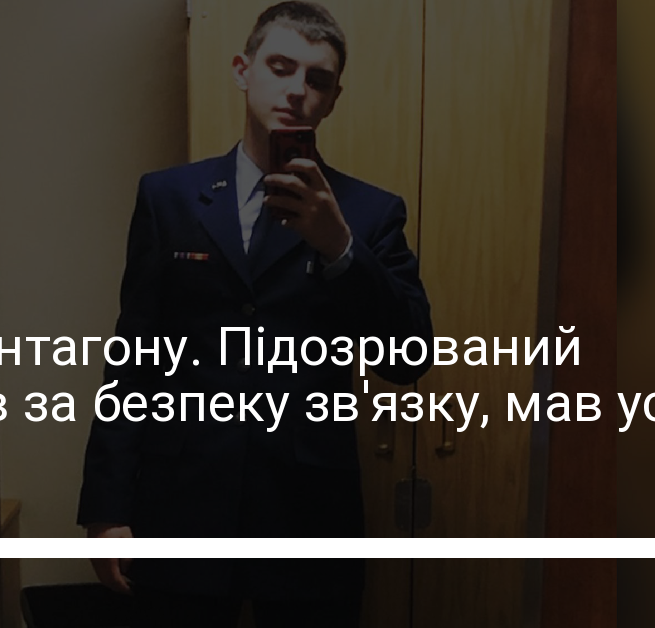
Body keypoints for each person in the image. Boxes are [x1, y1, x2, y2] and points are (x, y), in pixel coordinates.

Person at [77, 2, 433, 626]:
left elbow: (409, 358)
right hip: (181, 501)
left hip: (309, 514)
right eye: (280, 67)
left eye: (317, 79)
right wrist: (106, 508)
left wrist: (340, 248)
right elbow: (133, 358)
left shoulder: (368, 213)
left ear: (333, 99)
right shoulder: (168, 197)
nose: (297, 90)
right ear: (243, 70)